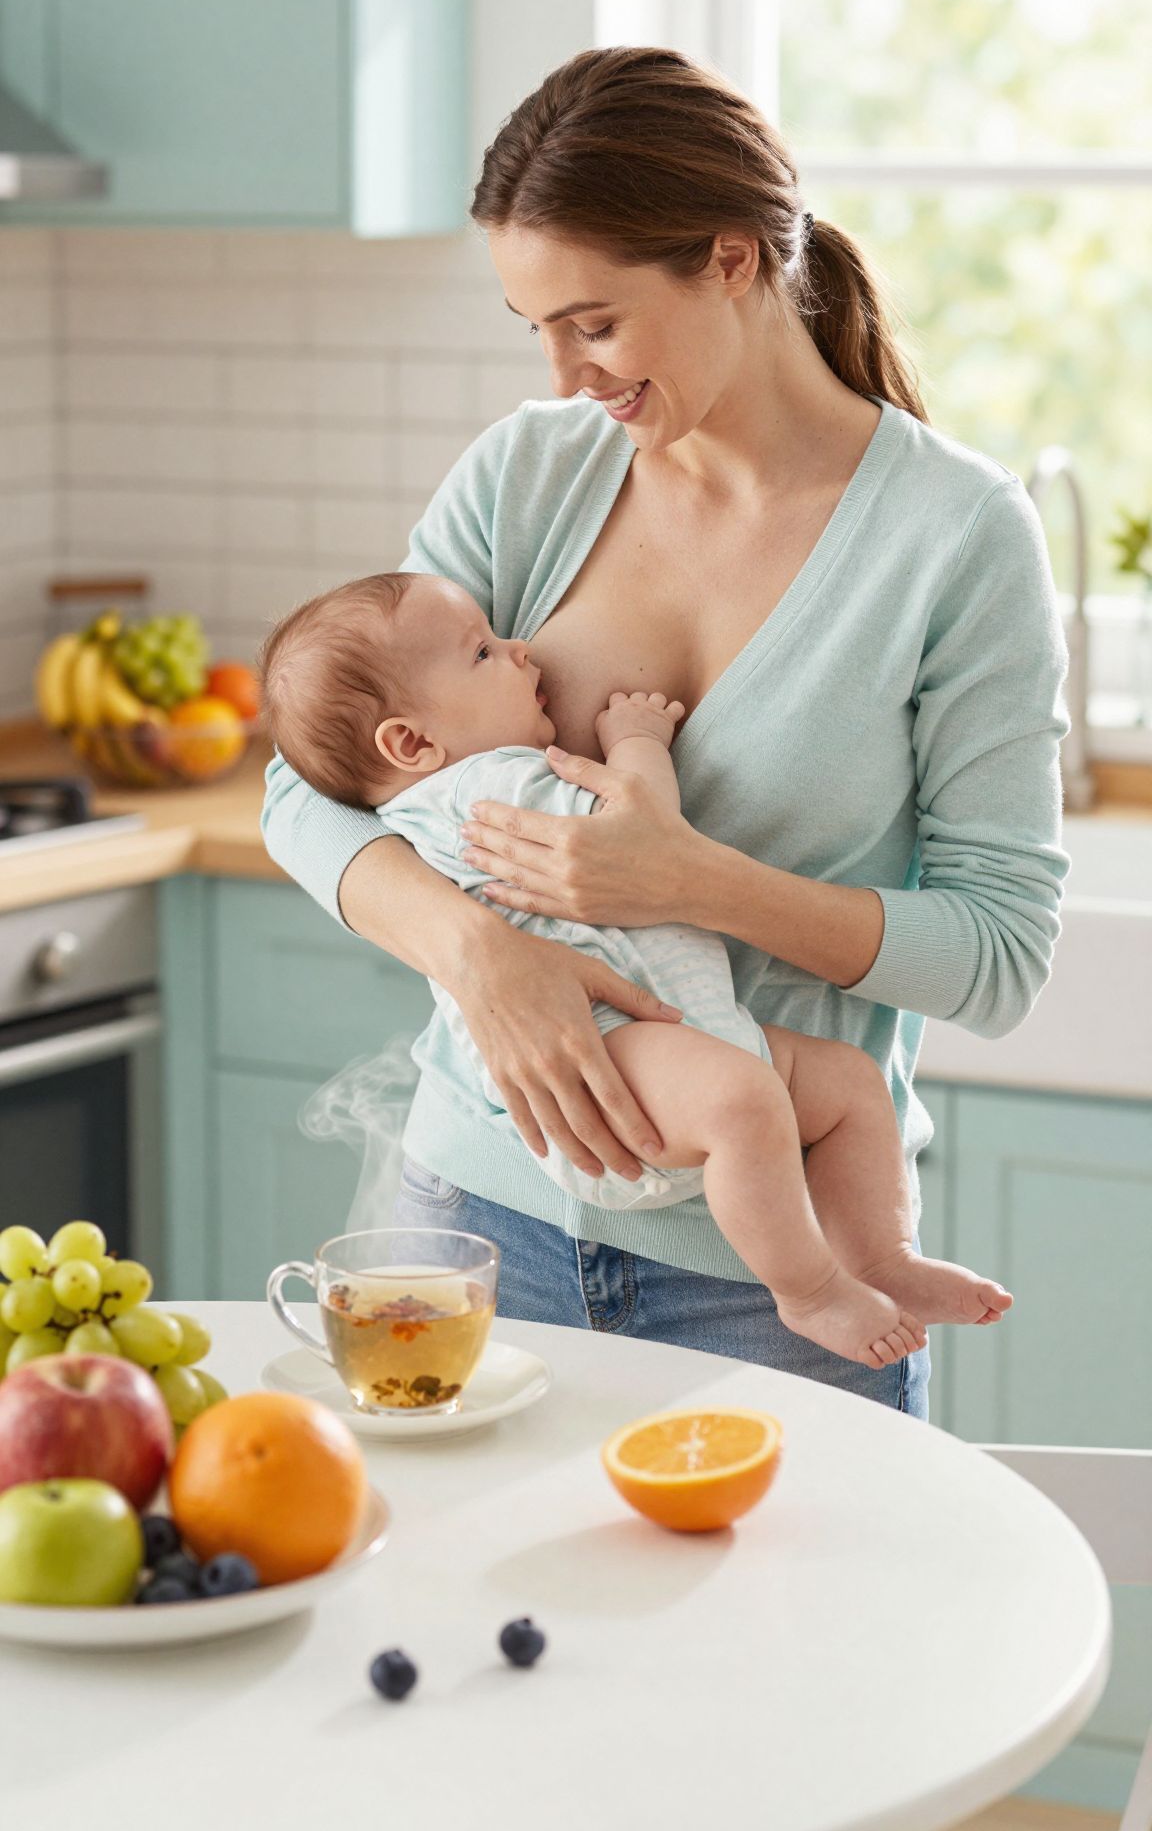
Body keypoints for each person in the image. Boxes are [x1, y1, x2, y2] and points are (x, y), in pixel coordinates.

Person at [262, 46, 1068, 1831]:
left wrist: (689, 884)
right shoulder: (536, 476)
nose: (563, 376)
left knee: (788, 1827)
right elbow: (312, 784)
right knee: (487, 1801)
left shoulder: (952, 541)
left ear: (730, 260)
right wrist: (483, 952)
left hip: (772, 1257)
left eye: (593, 318)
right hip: (472, 1234)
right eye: (533, 326)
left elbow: (1001, 948)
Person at [260, 570, 1015, 1370]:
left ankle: (884, 1260)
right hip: (609, 1049)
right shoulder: (485, 789)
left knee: (847, 1086)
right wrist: (638, 744)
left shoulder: (427, 807)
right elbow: (640, 829)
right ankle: (813, 1289)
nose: (519, 649)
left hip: (673, 1038)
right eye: (484, 651)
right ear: (412, 743)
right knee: (750, 1104)